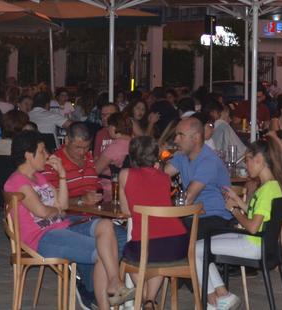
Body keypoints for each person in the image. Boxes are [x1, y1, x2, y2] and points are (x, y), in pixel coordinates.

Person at [5, 131, 129, 310]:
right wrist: (56, 210)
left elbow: (61, 205)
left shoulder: (39, 177)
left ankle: (114, 282)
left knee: (105, 225)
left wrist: (62, 174)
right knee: (103, 250)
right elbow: (42, 212)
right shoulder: (17, 181)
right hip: (41, 238)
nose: (47, 155)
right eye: (42, 151)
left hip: (61, 226)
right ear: (27, 154)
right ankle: (108, 298)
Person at [195, 141, 282, 310]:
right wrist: (238, 202)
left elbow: (253, 227)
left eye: (248, 160)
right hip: (263, 243)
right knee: (200, 247)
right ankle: (221, 297)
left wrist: (234, 211)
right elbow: (260, 215)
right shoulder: (274, 187)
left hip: (253, 244)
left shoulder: (266, 190)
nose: (246, 165)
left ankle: (220, 298)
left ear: (259, 159)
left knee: (194, 250)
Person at [119, 135, 190, 305]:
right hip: (177, 243)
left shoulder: (125, 174)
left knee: (128, 255)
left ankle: (143, 296)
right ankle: (150, 300)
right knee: (157, 257)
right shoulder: (164, 177)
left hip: (145, 244)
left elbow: (126, 211)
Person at [165, 116, 233, 235]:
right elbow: (161, 176)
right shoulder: (182, 155)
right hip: (194, 216)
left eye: (180, 135)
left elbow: (188, 199)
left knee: (165, 233)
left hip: (215, 219)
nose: (175, 140)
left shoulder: (208, 161)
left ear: (196, 138)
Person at [40, 122, 101, 206]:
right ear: (67, 140)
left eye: (86, 147)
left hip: (94, 213)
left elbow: (97, 187)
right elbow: (52, 201)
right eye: (78, 147)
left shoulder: (89, 158)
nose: (82, 152)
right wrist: (80, 200)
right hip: (68, 216)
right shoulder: (53, 163)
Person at [95, 113, 132, 197]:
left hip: (111, 190)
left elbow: (96, 170)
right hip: (129, 189)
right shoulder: (135, 143)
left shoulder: (115, 146)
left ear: (114, 127)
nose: (107, 129)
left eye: (108, 126)